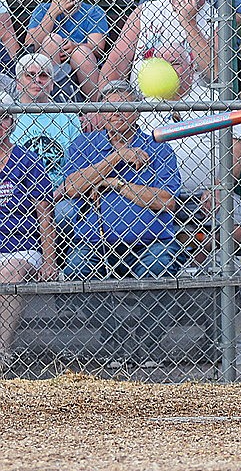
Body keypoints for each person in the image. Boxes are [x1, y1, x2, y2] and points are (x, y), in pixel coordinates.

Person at [62, 80, 181, 368]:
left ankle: (146, 345)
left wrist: (114, 184)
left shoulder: (157, 145)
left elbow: (166, 200)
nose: (117, 113)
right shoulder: (84, 145)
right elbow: (70, 188)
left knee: (159, 266)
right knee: (74, 272)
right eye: (110, 108)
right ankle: (116, 342)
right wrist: (116, 158)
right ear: (101, 112)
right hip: (95, 242)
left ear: (137, 112)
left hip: (150, 241)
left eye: (124, 107)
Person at [136, 43, 241, 252]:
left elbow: (238, 146)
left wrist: (219, 186)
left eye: (176, 63)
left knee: (235, 227)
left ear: (191, 67)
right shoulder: (144, 106)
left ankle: (192, 247)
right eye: (163, 64)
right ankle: (190, 247)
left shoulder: (212, 99)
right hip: (159, 193)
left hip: (207, 192)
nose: (169, 70)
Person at [0, 91, 56, 373]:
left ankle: (1, 352)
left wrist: (49, 259)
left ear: (12, 123)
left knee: (11, 271)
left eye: (3, 118)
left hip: (20, 248)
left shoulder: (27, 160)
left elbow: (44, 212)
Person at [101, 0, 218, 88]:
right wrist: (103, 101)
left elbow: (215, 73)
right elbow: (116, 63)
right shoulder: (146, 10)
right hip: (143, 101)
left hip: (193, 102)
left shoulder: (215, 17)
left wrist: (188, 22)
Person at [9, 53, 83, 243]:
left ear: (51, 83)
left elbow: (77, 163)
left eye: (43, 75)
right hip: (16, 194)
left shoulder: (67, 116)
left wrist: (61, 190)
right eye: (30, 75)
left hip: (59, 194)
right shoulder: (8, 118)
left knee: (65, 214)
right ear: (18, 83)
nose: (37, 80)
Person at [25, 0, 108, 99]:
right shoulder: (43, 9)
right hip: (50, 61)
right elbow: (30, 44)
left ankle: (96, 108)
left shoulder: (94, 11)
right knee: (53, 39)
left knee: (81, 52)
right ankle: (47, 101)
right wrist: (53, 12)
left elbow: (98, 47)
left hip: (81, 63)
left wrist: (74, 46)